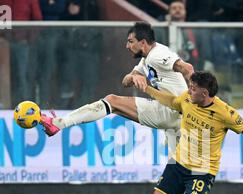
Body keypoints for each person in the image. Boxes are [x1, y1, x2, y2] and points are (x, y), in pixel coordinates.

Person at [40, 22, 193, 155]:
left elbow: (187, 68)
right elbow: (125, 81)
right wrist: (134, 76)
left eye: (130, 41)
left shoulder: (157, 55)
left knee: (112, 101)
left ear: (143, 42)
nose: (127, 46)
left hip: (175, 111)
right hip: (175, 115)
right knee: (177, 175)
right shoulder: (147, 57)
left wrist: (192, 103)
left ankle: (59, 123)